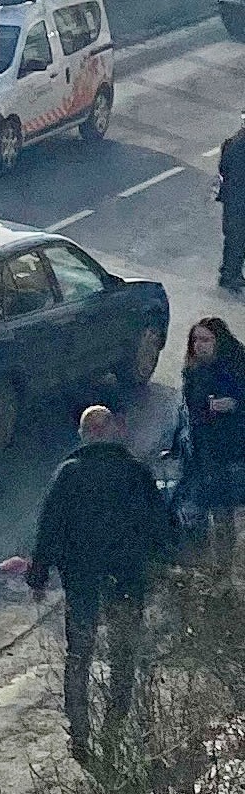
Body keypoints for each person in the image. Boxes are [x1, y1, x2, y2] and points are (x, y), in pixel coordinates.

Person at [25, 406, 170, 764]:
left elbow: (49, 529)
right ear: (114, 432)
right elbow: (159, 528)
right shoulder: (136, 473)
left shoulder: (69, 474)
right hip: (126, 580)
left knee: (79, 656)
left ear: (84, 435)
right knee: (123, 655)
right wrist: (159, 568)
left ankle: (79, 732)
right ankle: (114, 726)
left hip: (83, 582)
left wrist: (38, 577)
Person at [181, 317, 245, 565]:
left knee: (224, 507)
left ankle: (224, 562)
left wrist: (236, 405)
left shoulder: (237, 366)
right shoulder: (194, 371)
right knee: (204, 507)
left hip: (232, 450)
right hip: (203, 449)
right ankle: (212, 560)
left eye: (206, 340)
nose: (199, 345)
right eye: (195, 340)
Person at [217, 109, 245, 292]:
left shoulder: (232, 142)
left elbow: (223, 168)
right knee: (237, 239)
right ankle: (229, 274)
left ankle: (231, 273)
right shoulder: (238, 145)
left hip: (233, 200)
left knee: (235, 239)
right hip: (238, 200)